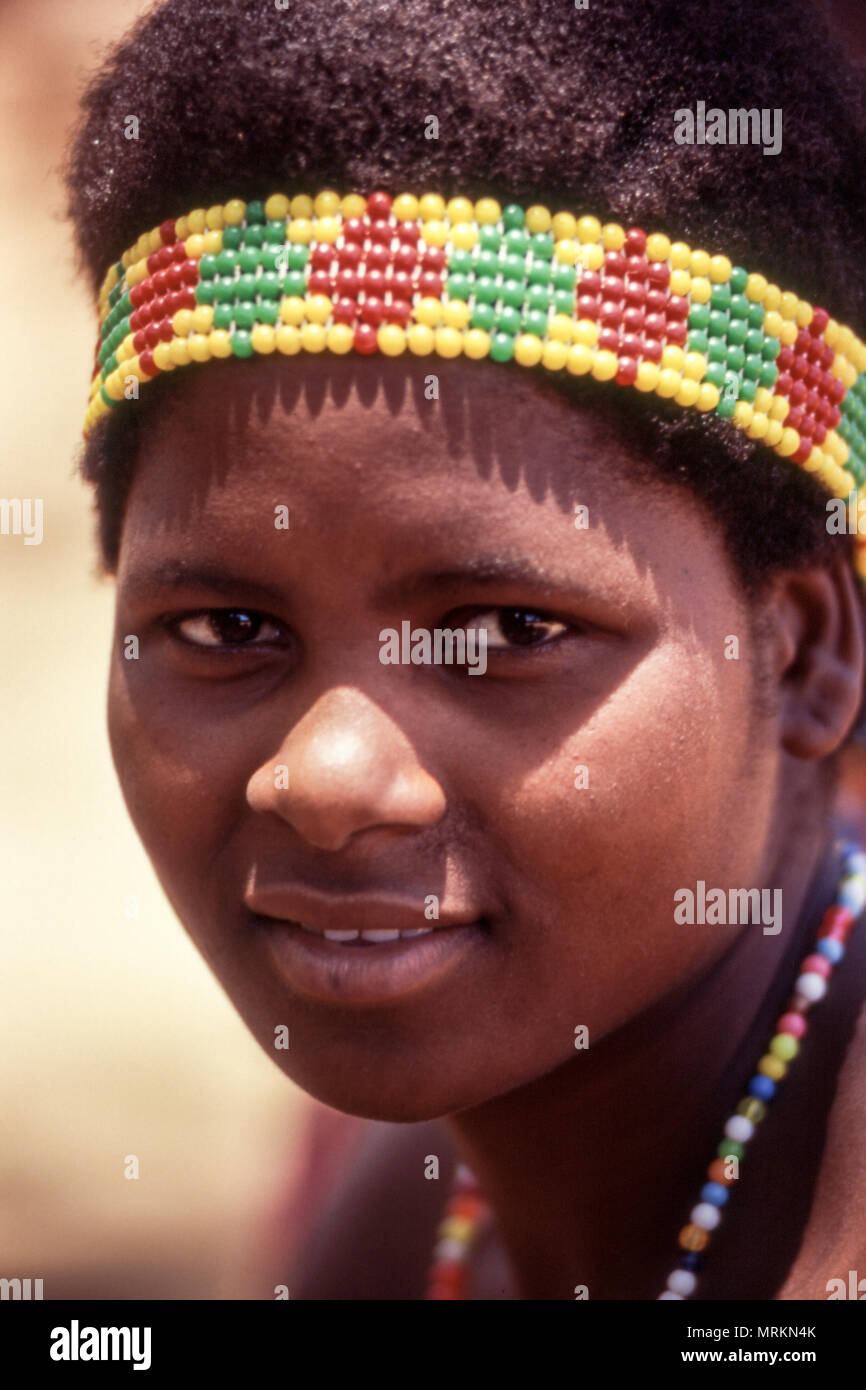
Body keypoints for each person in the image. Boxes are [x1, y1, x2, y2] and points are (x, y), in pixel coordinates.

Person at [64, 0, 866, 1299]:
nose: (323, 777)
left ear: (805, 653)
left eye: (505, 631)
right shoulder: (411, 1213)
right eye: (226, 629)